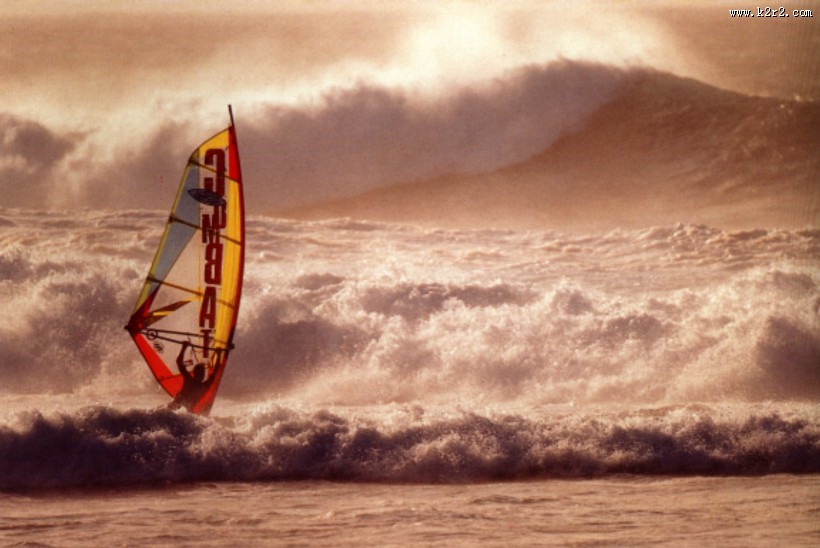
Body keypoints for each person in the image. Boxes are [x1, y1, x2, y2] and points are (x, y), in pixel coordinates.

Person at [168, 341, 215, 411]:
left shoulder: (188, 379)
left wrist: (184, 348)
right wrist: (219, 355)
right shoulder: (205, 385)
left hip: (175, 409)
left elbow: (179, 362)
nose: (201, 375)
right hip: (186, 415)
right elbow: (215, 372)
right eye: (200, 373)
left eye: (201, 373)